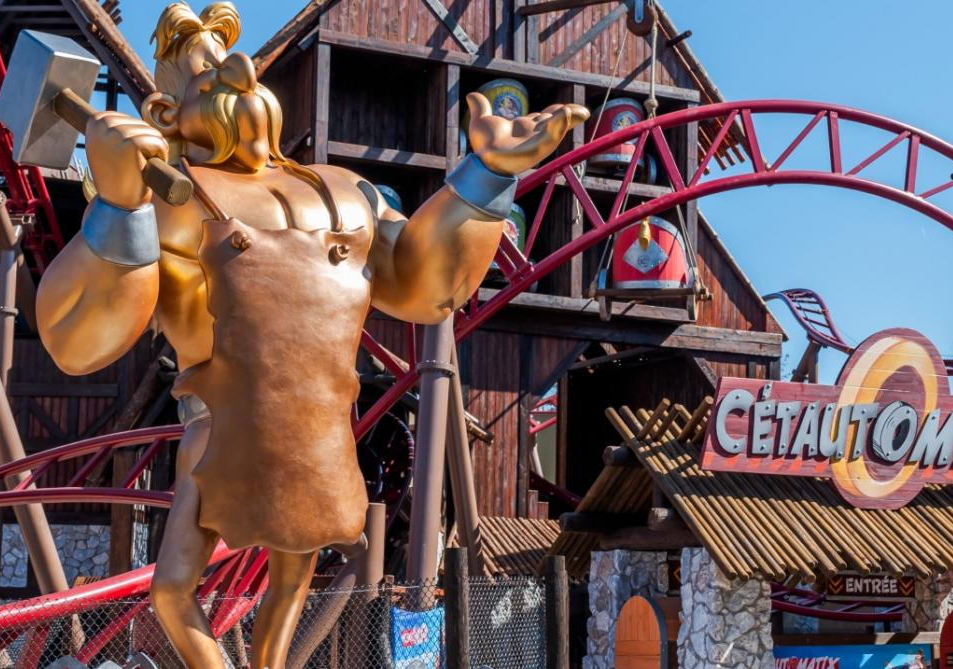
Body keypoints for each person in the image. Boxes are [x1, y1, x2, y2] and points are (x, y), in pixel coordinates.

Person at [34, 3, 588, 667]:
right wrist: (118, 207)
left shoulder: (343, 193)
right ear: (165, 114)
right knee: (175, 590)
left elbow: (423, 286)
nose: (240, 71)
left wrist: (485, 175)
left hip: (319, 436)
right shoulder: (168, 202)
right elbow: (78, 341)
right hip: (222, 431)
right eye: (210, 76)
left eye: (236, 64)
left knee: (290, 579)